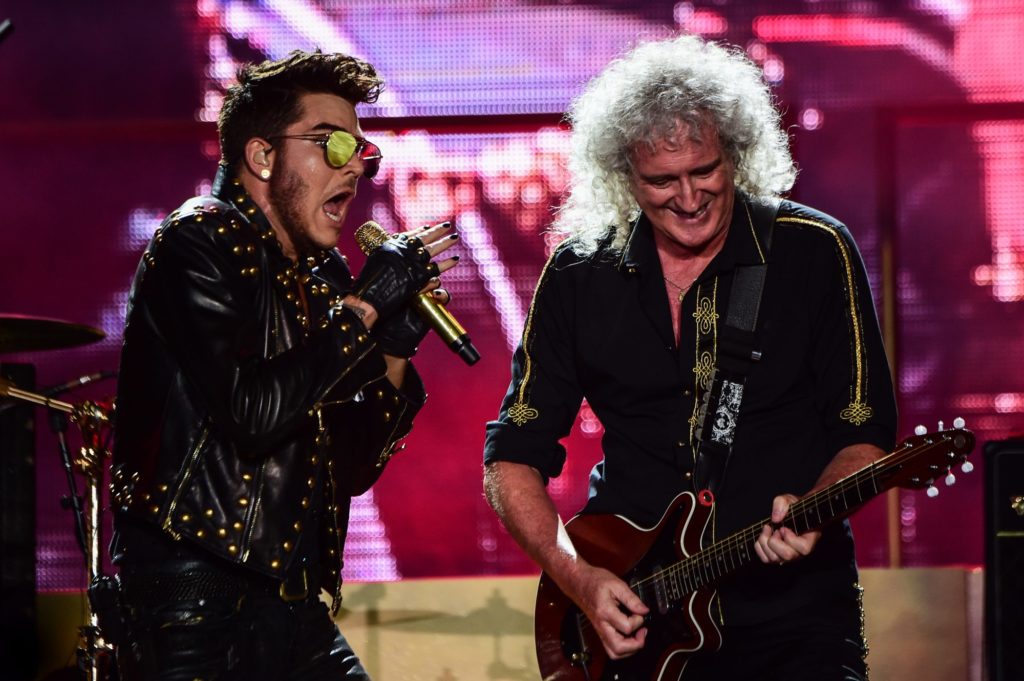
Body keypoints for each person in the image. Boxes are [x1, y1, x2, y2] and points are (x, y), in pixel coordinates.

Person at [483, 34, 897, 680]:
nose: (688, 196)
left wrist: (817, 505)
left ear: (735, 151)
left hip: (796, 625)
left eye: (704, 170)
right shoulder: (578, 273)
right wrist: (581, 578)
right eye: (661, 180)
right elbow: (511, 459)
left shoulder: (814, 252)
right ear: (624, 176)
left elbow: (866, 435)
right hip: (635, 624)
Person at [109, 50, 459, 681]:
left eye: (360, 151)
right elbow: (251, 412)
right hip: (195, 601)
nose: (354, 166)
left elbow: (350, 469)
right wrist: (363, 313)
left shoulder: (320, 275)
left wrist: (394, 347)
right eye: (331, 146)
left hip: (292, 602)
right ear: (262, 157)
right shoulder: (200, 238)